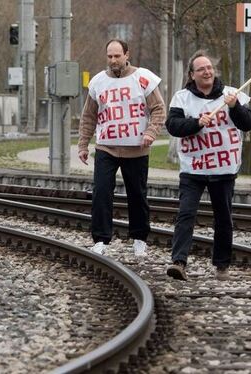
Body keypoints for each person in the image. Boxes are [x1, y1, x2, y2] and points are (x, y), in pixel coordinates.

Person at [165, 50, 251, 281]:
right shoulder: (182, 98)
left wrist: (235, 107)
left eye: (209, 68)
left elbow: (247, 125)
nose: (207, 71)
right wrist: (195, 123)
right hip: (193, 168)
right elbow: (173, 126)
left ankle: (222, 264)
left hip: (223, 169)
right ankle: (179, 262)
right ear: (192, 75)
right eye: (201, 69)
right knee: (186, 214)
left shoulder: (232, 94)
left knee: (223, 217)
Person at [78, 39, 166, 256]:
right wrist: (83, 144)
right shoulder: (98, 82)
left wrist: (151, 132)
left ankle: (139, 238)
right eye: (109, 56)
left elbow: (158, 109)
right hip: (106, 147)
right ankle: (100, 239)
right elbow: (88, 116)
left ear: (127, 54)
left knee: (137, 194)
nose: (113, 60)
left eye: (117, 56)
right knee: (101, 192)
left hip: (136, 148)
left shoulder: (143, 78)